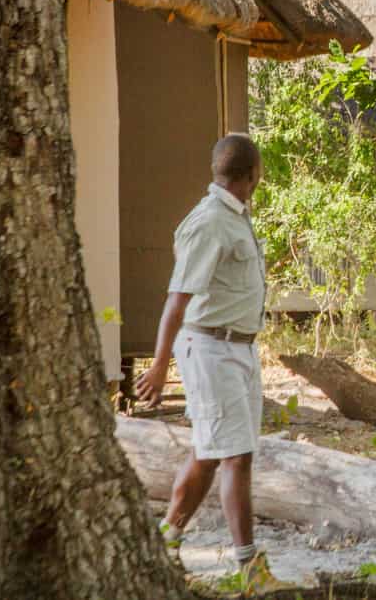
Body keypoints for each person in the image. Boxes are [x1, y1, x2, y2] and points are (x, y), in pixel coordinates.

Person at [134, 133, 289, 593]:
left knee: (209, 452)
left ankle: (167, 539)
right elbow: (176, 301)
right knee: (236, 456)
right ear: (253, 175)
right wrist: (161, 365)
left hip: (239, 348)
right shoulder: (210, 223)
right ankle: (250, 568)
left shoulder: (235, 217)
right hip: (210, 349)